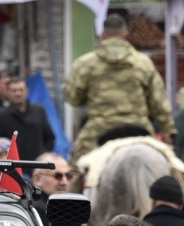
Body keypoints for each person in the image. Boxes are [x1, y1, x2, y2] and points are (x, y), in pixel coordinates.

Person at [63, 13, 172, 159]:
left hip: (98, 129)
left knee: (74, 170)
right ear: (126, 33)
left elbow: (73, 98)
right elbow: (159, 105)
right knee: (168, 168)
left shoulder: (86, 63)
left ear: (103, 34)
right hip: (139, 127)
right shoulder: (143, 63)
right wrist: (168, 133)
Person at [0, 76, 56, 157]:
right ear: (8, 92)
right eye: (14, 91)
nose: (18, 94)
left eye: (21, 90)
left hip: (37, 164)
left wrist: (43, 154)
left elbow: (49, 138)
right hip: (12, 165)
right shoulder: (0, 116)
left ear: (27, 91)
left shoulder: (39, 111)